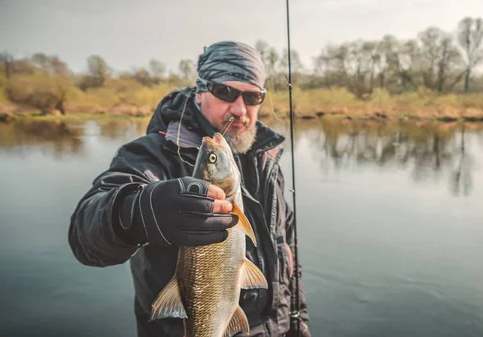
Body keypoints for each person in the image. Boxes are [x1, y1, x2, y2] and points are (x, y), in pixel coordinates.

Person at [68, 41, 311, 337]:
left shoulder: (265, 159)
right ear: (200, 92)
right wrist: (140, 212)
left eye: (253, 96)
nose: (239, 109)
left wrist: (299, 320)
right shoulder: (153, 155)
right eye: (225, 92)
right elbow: (84, 235)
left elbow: (288, 247)